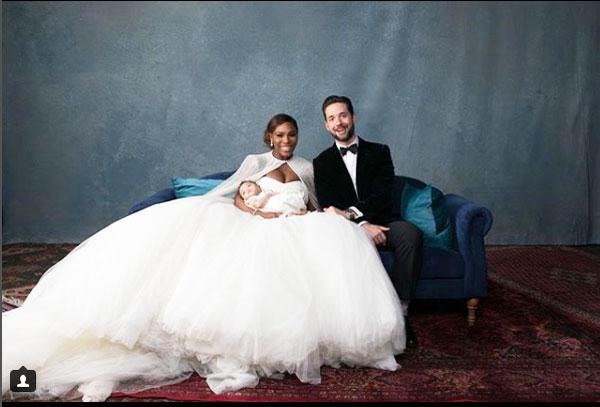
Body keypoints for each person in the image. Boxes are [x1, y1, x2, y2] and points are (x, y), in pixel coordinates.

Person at [2, 113, 406, 402]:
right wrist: (259, 212)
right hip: (259, 224)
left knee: (327, 243)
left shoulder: (306, 167)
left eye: (292, 136)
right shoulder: (256, 163)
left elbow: (315, 203)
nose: (287, 142)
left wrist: (324, 216)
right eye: (280, 136)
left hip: (294, 227)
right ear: (269, 137)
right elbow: (238, 200)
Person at [313, 96, 424, 349]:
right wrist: (363, 226)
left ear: (353, 118)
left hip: (384, 220)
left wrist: (356, 216)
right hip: (347, 230)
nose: (338, 122)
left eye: (342, 115)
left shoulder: (380, 152)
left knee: (411, 234)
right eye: (332, 118)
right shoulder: (321, 162)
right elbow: (330, 204)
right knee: (345, 245)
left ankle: (402, 312)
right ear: (326, 126)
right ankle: (358, 323)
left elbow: (381, 195)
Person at [237, 180, 307, 217]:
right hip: (272, 207)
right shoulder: (251, 200)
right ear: (244, 199)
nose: (247, 190)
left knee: (286, 200)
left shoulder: (264, 191)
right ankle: (296, 213)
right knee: (282, 207)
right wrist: (267, 196)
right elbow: (258, 204)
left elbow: (276, 194)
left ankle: (298, 209)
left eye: (249, 185)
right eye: (244, 192)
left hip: (276, 201)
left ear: (258, 186)